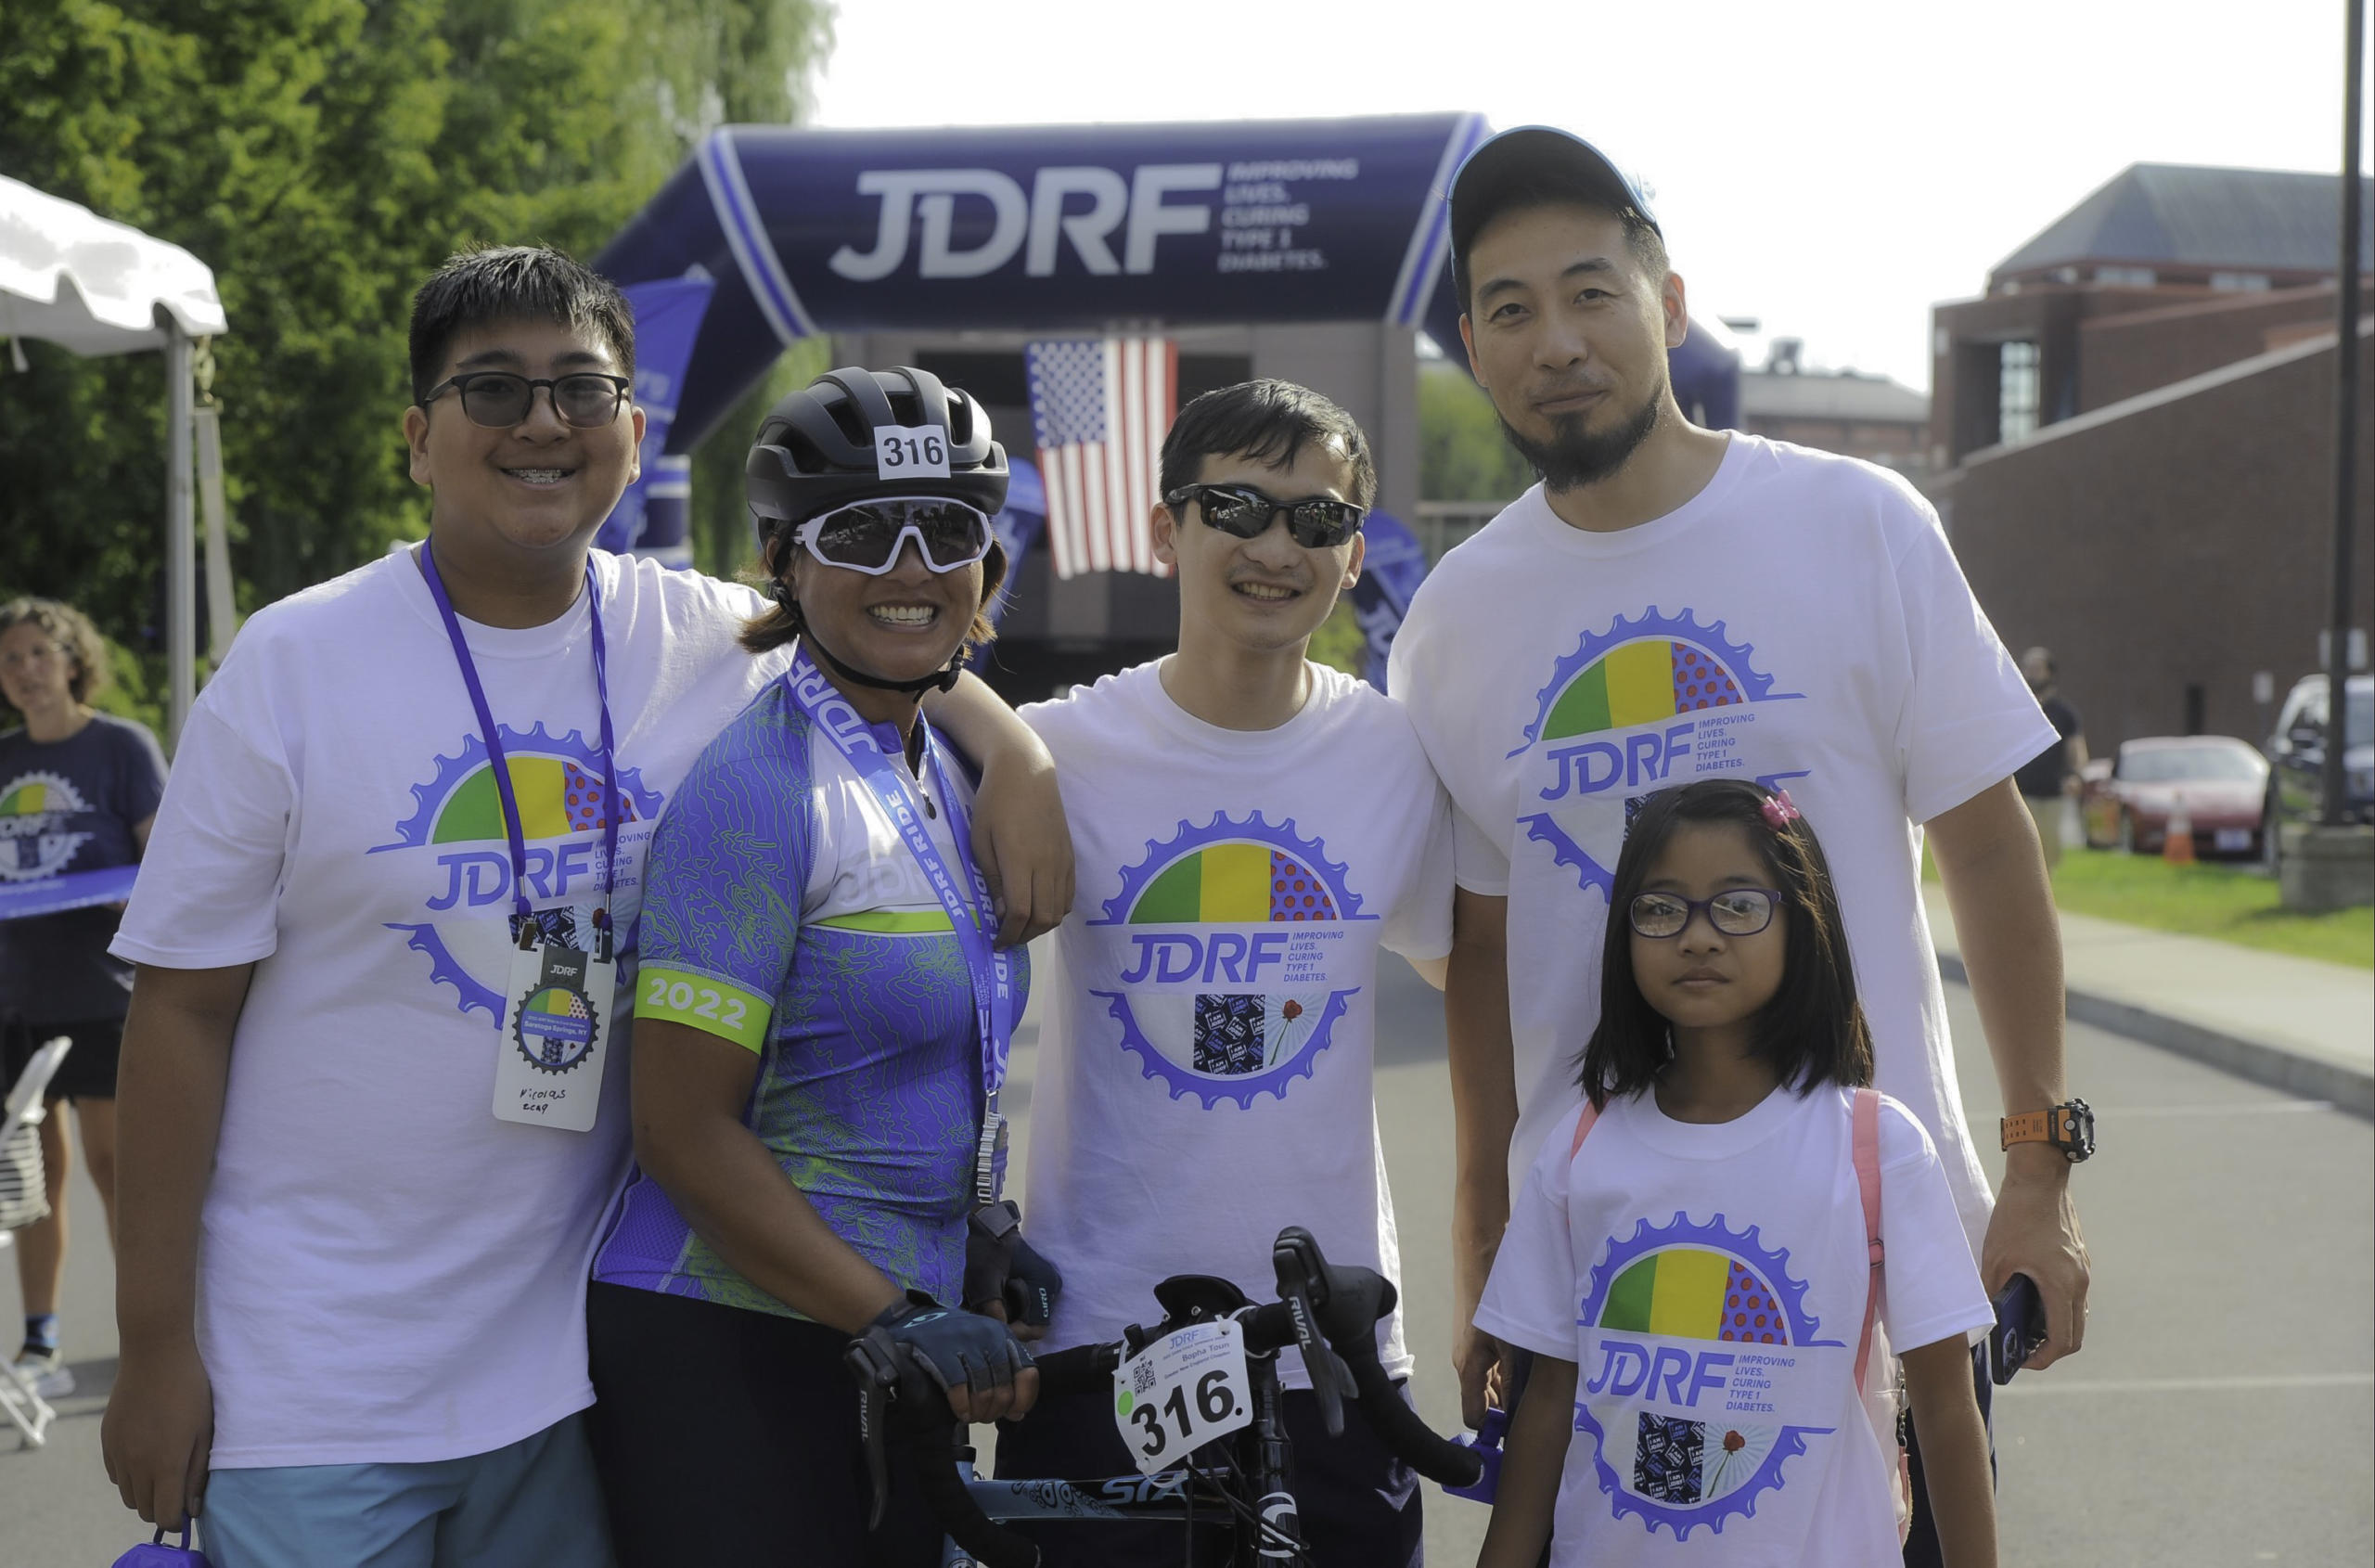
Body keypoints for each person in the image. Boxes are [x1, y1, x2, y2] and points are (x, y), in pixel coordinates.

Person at [98, 248, 1072, 1566]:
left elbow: (889, 620)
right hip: (312, 1383)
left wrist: (1018, 754)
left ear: (633, 428)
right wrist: (154, 1345)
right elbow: (178, 1015)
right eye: (493, 389)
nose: (541, 422)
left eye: (580, 388)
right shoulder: (292, 662)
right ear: (419, 437)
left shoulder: (703, 635)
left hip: (563, 1380)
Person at [1384, 128, 2091, 1563]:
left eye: (1591, 292)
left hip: (1867, 1266)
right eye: (1510, 309)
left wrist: (2038, 1165)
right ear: (1475, 347)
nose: (1555, 341)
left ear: (1671, 303)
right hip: (1604, 1281)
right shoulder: (1458, 617)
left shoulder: (1856, 525)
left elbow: (1987, 845)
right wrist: (1483, 1238)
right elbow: (1481, 953)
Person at [992, 379, 1455, 1568]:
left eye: (1318, 519)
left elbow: (1490, 987)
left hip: (1334, 1345)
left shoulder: (1398, 756)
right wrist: (996, 735)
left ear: (1354, 555)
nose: (1275, 546)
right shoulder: (1056, 749)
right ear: (1165, 529)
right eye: (1237, 507)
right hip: (1103, 1343)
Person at [584, 366, 1042, 1567]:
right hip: (733, 1346)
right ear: (784, 561)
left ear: (989, 562)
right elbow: (683, 1131)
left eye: (945, 529)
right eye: (861, 532)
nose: (909, 565)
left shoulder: (938, 765)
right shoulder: (758, 791)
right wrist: (890, 1309)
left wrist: (972, 1232)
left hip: (880, 1332)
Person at [1474, 779, 1996, 1568]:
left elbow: (1947, 1407)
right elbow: (1548, 1401)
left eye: (1739, 906)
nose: (1698, 937)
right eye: (1661, 909)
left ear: (1803, 922)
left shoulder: (1877, 1144)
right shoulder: (1580, 1149)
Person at [0, 597, 168, 1397]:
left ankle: (152, 1340)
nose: (25, 671)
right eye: (10, 659)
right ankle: (41, 1348)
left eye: (39, 653)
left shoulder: (121, 746)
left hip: (106, 995)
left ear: (73, 660)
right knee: (32, 1180)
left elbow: (168, 867)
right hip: (16, 1000)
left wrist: (125, 896)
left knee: (116, 1169)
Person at [2012, 649, 2086, 870]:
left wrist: (2075, 776)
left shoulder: (2064, 713)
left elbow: (2077, 750)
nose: (2030, 673)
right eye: (2027, 668)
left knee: (2048, 854)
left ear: (2050, 673)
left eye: (2037, 669)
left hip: (2052, 796)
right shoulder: (2017, 709)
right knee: (2019, 850)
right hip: (2020, 794)